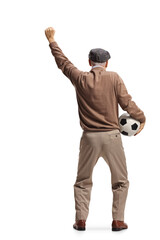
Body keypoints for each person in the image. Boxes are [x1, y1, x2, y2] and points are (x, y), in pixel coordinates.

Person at [45, 27, 146, 231]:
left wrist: (52, 41)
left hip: (89, 137)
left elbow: (63, 63)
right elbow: (127, 103)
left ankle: (81, 220)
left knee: (83, 181)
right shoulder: (114, 77)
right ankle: (117, 221)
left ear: (90, 62)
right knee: (120, 181)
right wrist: (141, 119)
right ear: (106, 63)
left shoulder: (81, 78)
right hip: (112, 137)